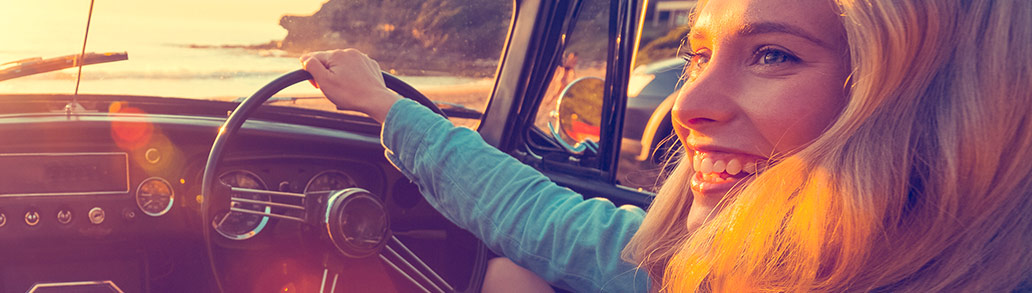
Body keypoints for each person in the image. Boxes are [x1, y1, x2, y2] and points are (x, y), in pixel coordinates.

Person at [300, 0, 1032, 291]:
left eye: (773, 54)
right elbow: (539, 218)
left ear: (939, 101)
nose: (689, 105)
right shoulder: (720, 266)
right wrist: (384, 105)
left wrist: (385, 105)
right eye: (698, 56)